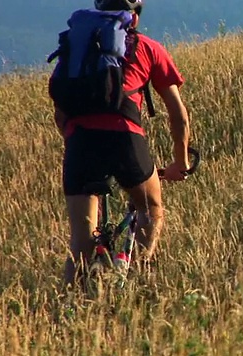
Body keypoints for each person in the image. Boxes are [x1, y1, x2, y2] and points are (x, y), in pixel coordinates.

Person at [52, 0, 191, 289]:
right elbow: (178, 116)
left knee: (80, 240)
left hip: (80, 142)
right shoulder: (147, 48)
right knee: (151, 207)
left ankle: (67, 308)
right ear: (134, 16)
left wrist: (77, 143)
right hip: (124, 136)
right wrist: (181, 163)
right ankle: (139, 278)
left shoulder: (76, 49)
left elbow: (61, 109)